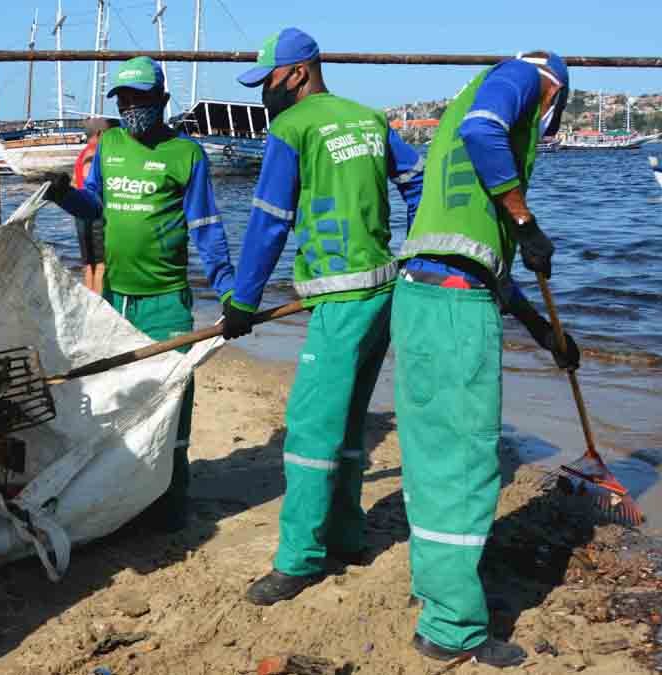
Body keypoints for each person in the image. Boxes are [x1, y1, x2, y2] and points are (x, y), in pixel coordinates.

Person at [220, 28, 424, 606]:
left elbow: (268, 219)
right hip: (384, 290)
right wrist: (412, 251)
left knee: (310, 431)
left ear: (301, 72)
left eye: (270, 82)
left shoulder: (292, 128)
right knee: (350, 421)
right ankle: (349, 534)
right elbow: (417, 181)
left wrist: (241, 300)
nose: (266, 95)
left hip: (338, 301)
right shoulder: (369, 119)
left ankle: (299, 560)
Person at [393, 51, 581, 668]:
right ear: (552, 93)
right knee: (468, 465)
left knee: (431, 461)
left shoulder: (455, 132)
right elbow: (487, 130)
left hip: (422, 297)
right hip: (453, 313)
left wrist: (539, 328)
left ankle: (438, 600)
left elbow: (476, 257)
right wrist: (526, 220)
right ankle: (452, 628)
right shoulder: (523, 80)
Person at [41, 56, 236, 531]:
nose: (131, 109)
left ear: (162, 101)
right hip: (117, 297)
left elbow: (206, 229)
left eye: (140, 99)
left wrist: (230, 290)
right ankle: (126, 491)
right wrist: (65, 194)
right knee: (118, 397)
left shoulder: (187, 155)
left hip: (166, 296)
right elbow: (95, 208)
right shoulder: (109, 144)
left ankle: (172, 497)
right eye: (123, 100)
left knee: (173, 400)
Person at [72, 117, 115, 294]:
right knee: (100, 265)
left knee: (88, 264)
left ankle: (90, 301)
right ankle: (100, 304)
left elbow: (75, 183)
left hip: (80, 212)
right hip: (95, 213)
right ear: (100, 134)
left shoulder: (82, 153)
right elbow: (91, 183)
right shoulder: (95, 153)